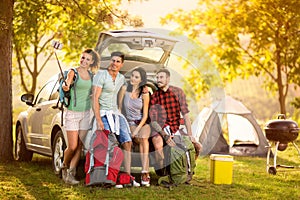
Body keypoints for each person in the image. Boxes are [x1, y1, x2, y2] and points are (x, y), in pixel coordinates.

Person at [92, 51, 140, 188]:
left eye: (118, 61)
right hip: (102, 113)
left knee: (127, 142)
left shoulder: (121, 79)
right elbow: (94, 98)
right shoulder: (101, 75)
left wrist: (144, 89)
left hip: (116, 114)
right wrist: (99, 120)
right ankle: (112, 176)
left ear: (121, 64)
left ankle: (127, 176)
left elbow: (130, 91)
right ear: (110, 61)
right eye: (113, 60)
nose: (115, 63)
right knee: (111, 143)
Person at [62, 48, 100, 185]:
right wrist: (66, 86)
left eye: (87, 59)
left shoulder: (92, 75)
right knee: (72, 146)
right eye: (82, 58)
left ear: (92, 62)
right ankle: (64, 165)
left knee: (79, 146)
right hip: (72, 113)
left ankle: (71, 174)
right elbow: (67, 83)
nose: (84, 61)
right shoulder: (74, 71)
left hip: (86, 113)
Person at [149, 68, 197, 172]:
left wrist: (190, 135)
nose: (158, 80)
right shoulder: (155, 96)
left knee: (197, 146)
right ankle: (163, 172)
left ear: (168, 79)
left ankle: (188, 171)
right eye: (157, 77)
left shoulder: (178, 92)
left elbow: (186, 115)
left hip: (176, 127)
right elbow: (153, 121)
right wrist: (165, 136)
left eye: (161, 77)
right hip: (160, 129)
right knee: (158, 145)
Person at [120, 67, 151, 187]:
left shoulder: (145, 93)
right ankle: (144, 172)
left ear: (141, 80)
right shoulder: (124, 89)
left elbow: (145, 115)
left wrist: (137, 130)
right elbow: (119, 108)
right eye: (132, 75)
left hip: (143, 122)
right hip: (130, 122)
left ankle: (144, 172)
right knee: (139, 139)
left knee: (143, 138)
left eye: (136, 77)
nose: (133, 78)